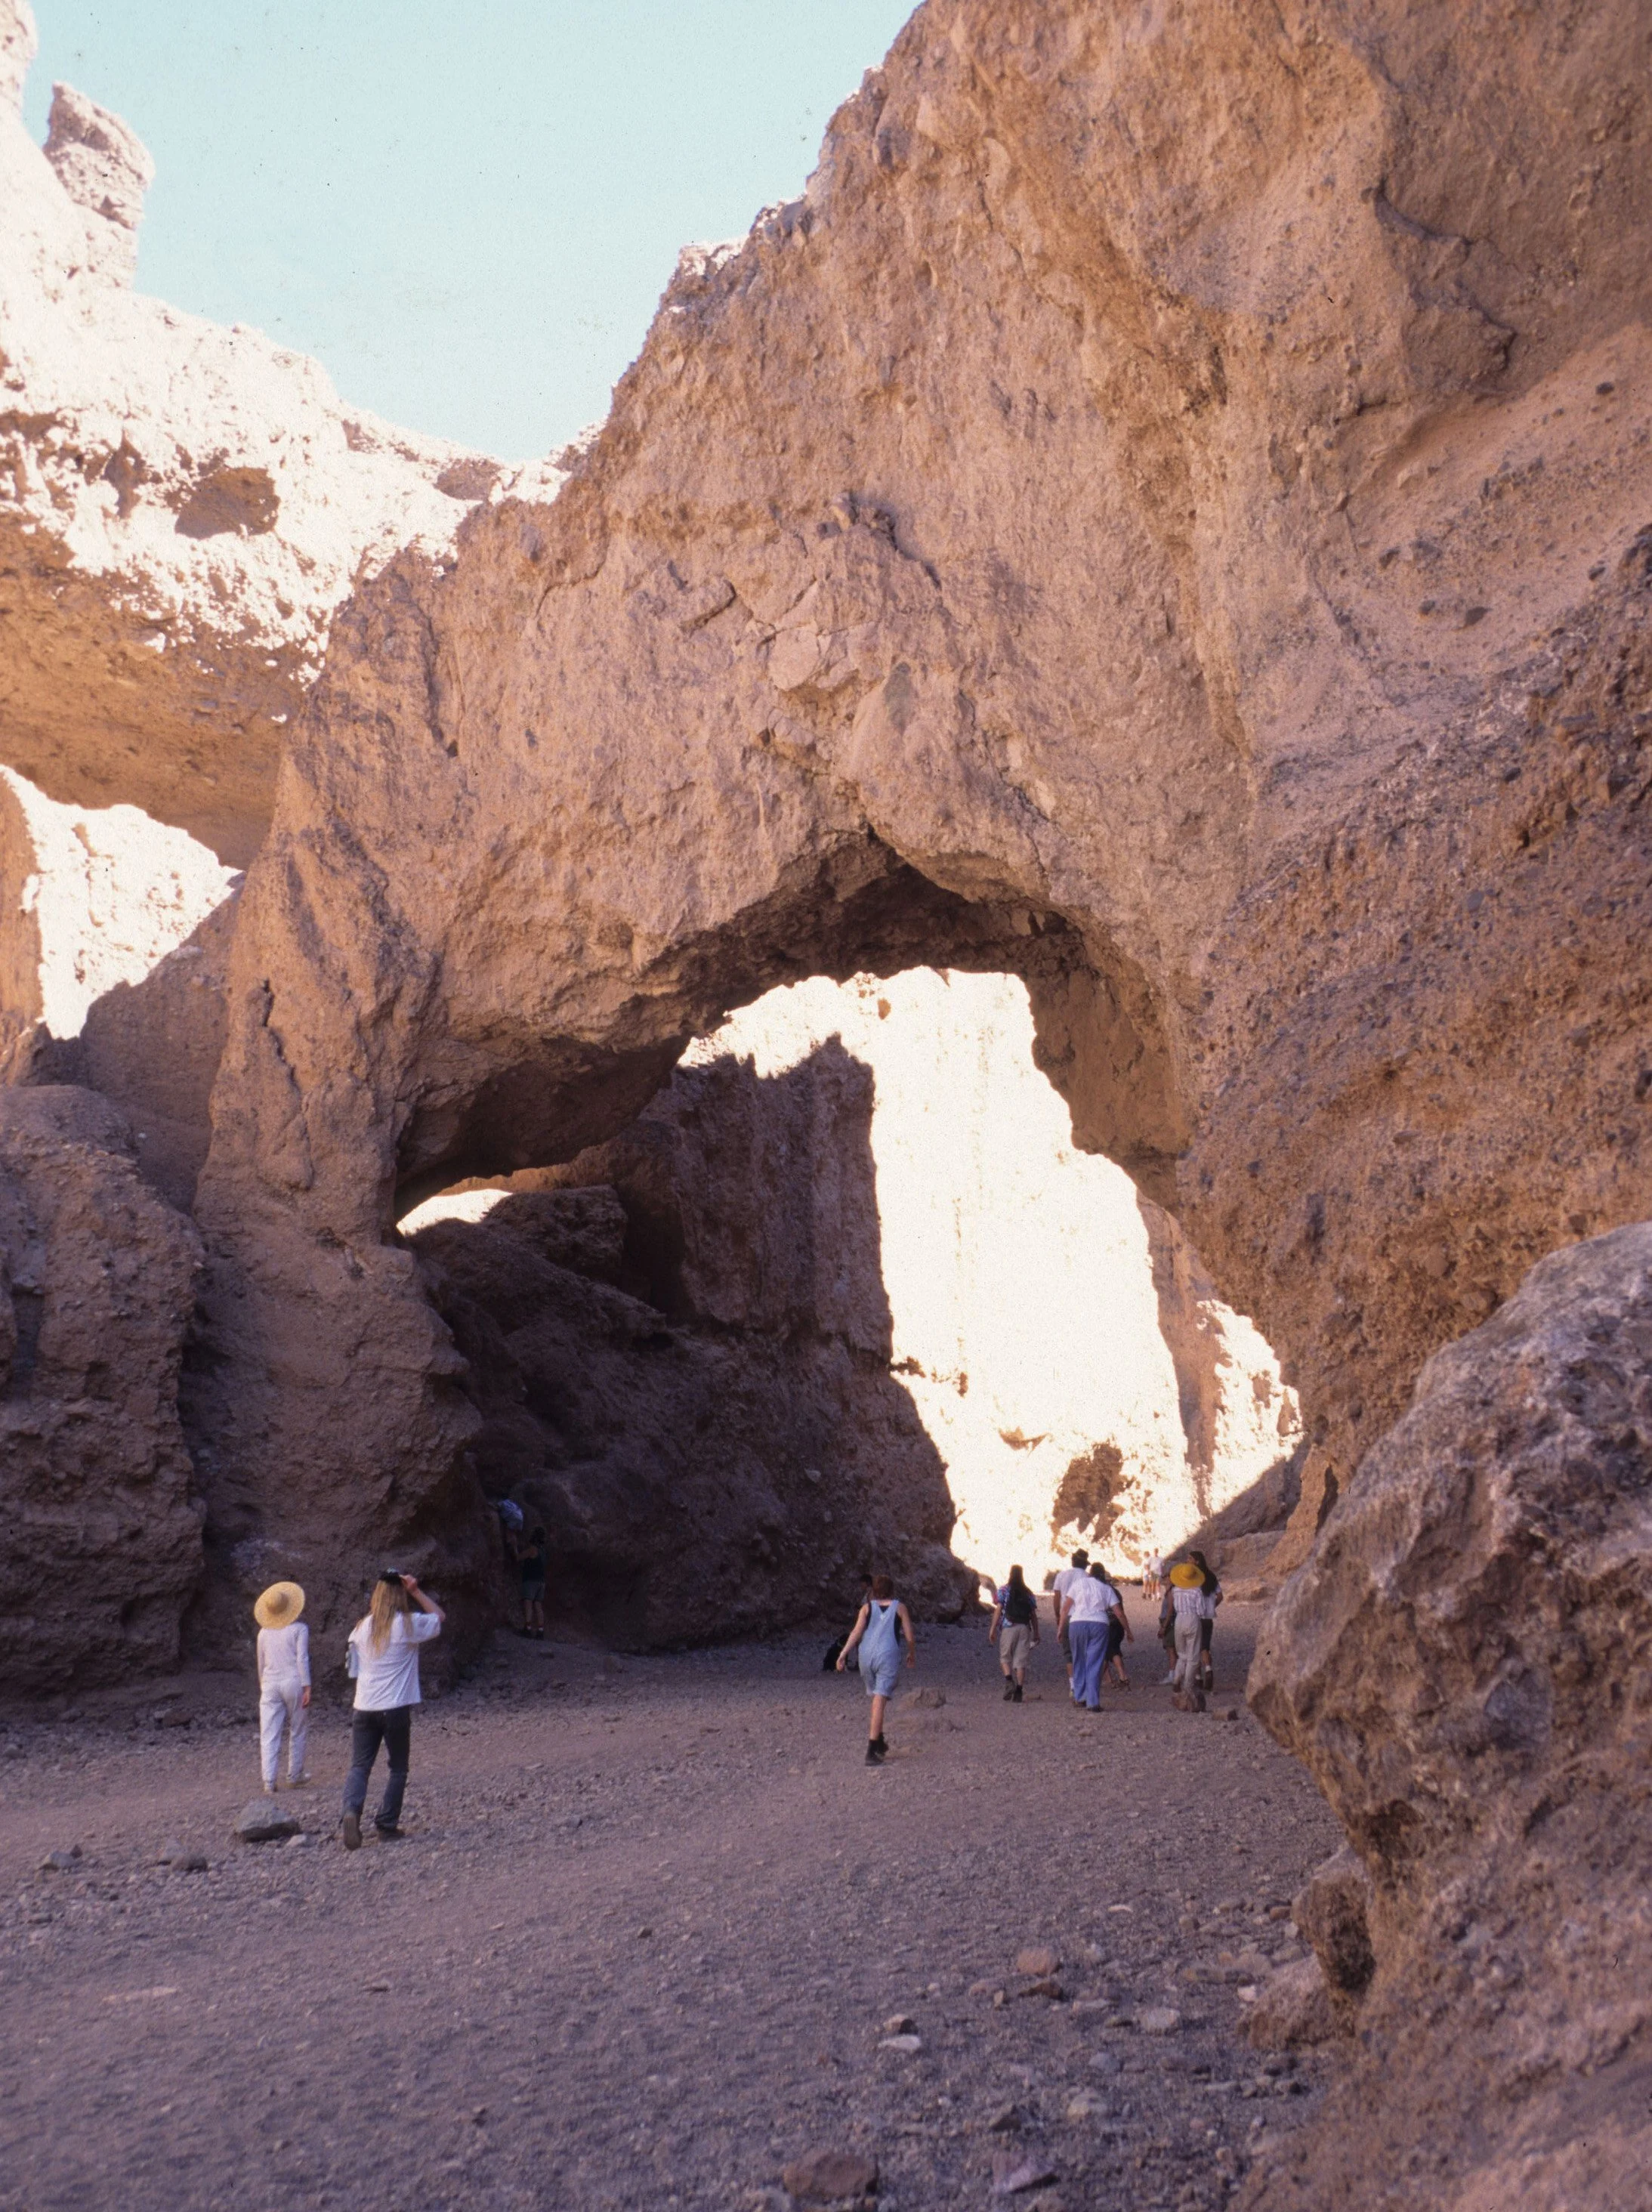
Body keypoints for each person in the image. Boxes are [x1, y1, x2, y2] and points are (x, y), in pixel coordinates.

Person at [341, 1569, 445, 1849]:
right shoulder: (406, 1625)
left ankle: (351, 1811)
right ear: (399, 1596)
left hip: (364, 1707)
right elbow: (439, 1617)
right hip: (395, 1707)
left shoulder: (361, 1628)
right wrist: (415, 1591)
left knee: (360, 1766)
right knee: (398, 1768)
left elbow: (352, 1670)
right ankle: (386, 1824)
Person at [836, 1574, 915, 1764]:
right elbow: (909, 1635)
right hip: (887, 1656)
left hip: (865, 1656)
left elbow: (856, 1632)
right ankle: (872, 1749)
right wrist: (912, 1653)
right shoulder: (900, 1608)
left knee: (875, 1698)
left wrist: (843, 1654)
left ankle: (879, 1740)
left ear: (874, 1591)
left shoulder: (866, 1608)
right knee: (880, 1700)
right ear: (892, 1590)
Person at [254, 1581, 310, 1793]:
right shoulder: (299, 1629)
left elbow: (260, 1663)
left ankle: (269, 1780)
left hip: (270, 1683)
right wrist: (307, 1686)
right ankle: (294, 1774)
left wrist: (263, 1685)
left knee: (269, 1732)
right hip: (293, 1681)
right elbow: (302, 1659)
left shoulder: (263, 1633)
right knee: (297, 1728)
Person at [1058, 1560, 1116, 1711]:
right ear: (1102, 1574)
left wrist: (1060, 1628)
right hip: (1099, 1624)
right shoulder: (1106, 1588)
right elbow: (1118, 1612)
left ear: (1090, 1573)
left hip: (1077, 1624)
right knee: (1095, 1662)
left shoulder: (1078, 1585)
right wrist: (1128, 1631)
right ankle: (1093, 1702)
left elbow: (1065, 1608)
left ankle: (1079, 1697)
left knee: (1078, 1661)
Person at [989, 1565, 1040, 1701]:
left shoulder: (1004, 1590)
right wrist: (1036, 1633)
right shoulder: (1028, 1593)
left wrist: (993, 1628)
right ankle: (1019, 1691)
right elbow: (1033, 1615)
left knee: (1005, 1657)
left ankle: (1009, 1681)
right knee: (1020, 1661)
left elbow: (998, 1609)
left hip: (1008, 1627)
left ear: (1010, 1574)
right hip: (1024, 1628)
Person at [1167, 1559, 1207, 1707]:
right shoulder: (1196, 1591)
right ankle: (1188, 1685)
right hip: (1192, 1619)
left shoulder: (1175, 1590)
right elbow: (1201, 1611)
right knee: (1193, 1656)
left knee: (1182, 1654)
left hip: (1179, 1620)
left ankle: (1177, 1679)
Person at [1051, 1547, 1090, 1694]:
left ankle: (1073, 1685)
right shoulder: (1087, 1577)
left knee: (1068, 1652)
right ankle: (1084, 1682)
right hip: (1082, 1617)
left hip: (1066, 1616)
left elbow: (1056, 1598)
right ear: (1085, 1564)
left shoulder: (1061, 1576)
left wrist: (1057, 1617)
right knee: (1083, 1650)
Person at [1190, 1549, 1223, 1691]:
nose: (1187, 1562)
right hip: (1208, 1617)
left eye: (1190, 1559)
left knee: (1195, 1648)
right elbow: (1220, 1596)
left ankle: (1198, 1678)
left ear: (1196, 1561)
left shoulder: (1193, 1577)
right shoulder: (1211, 1576)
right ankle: (1208, 1668)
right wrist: (1211, 1607)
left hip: (1196, 1617)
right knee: (1205, 1646)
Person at [1098, 1567, 1135, 1687]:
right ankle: (1112, 1678)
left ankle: (1122, 1677)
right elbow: (1121, 1612)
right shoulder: (1116, 1592)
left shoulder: (1103, 1592)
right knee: (1111, 1651)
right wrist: (1127, 1629)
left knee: (1111, 1652)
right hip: (1118, 1625)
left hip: (1108, 1625)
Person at [518, 1525, 548, 1639]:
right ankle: (540, 1631)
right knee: (538, 1605)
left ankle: (528, 1628)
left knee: (528, 1603)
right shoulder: (543, 1551)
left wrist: (514, 1547)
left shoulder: (533, 1549)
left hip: (531, 1580)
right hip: (541, 1582)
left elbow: (518, 1558)